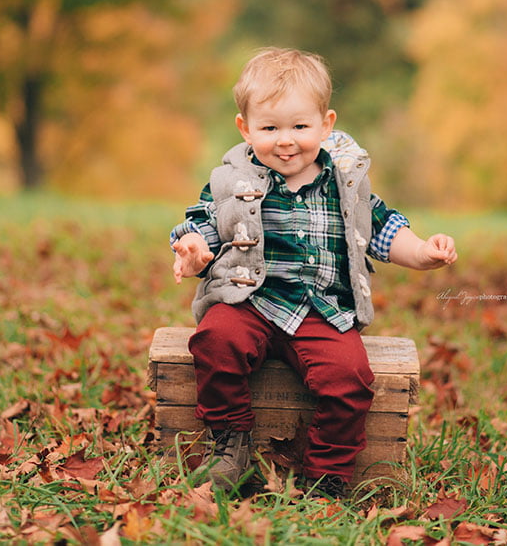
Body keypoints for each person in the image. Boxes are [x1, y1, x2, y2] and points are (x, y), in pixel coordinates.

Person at [170, 47, 456, 499]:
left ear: (326, 124)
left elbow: (380, 228)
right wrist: (192, 248)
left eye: (300, 126)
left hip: (321, 310)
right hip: (251, 299)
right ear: (245, 129)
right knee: (215, 339)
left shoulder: (345, 183)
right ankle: (232, 445)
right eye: (270, 128)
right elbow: (204, 220)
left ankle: (326, 475)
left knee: (351, 378)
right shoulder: (232, 180)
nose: (286, 140)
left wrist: (421, 251)